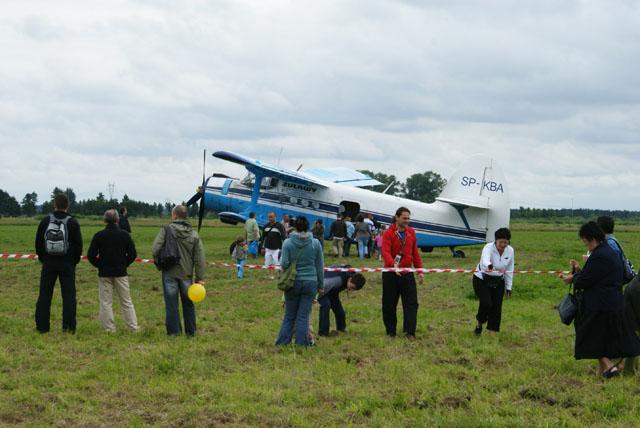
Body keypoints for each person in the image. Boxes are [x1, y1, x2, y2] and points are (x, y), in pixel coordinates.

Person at [560, 221, 640, 378]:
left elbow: (586, 280)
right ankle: (604, 370)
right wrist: (578, 272)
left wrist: (572, 278)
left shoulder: (599, 255)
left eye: (585, 241)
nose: (585, 245)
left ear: (592, 239)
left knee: (588, 334)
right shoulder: (608, 252)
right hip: (611, 302)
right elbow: (594, 276)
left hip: (600, 304)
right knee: (603, 337)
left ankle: (611, 367)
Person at [152, 205, 206, 337]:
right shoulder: (194, 234)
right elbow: (199, 258)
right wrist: (199, 278)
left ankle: (174, 333)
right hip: (186, 275)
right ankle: (191, 332)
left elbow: (155, 249)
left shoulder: (166, 230)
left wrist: (160, 261)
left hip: (169, 273)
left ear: (174, 215)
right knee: (188, 304)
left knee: (171, 305)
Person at [34, 193, 83, 334]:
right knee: (68, 296)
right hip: (67, 264)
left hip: (48, 263)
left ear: (54, 204)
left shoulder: (45, 221)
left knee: (44, 295)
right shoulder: (73, 222)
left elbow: (38, 243)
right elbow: (79, 245)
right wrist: (73, 262)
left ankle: (42, 327)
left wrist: (44, 259)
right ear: (67, 205)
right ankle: (68, 328)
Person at [87, 209, 139, 332]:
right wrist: (124, 264)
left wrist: (100, 265)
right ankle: (132, 327)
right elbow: (133, 254)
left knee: (106, 302)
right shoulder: (125, 235)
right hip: (121, 273)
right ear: (117, 219)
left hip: (104, 273)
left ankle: (109, 328)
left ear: (104, 220)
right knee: (126, 301)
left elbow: (90, 255)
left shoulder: (99, 235)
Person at [276, 216, 324, 347]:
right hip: (310, 282)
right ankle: (302, 344)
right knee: (304, 316)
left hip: (293, 282)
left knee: (289, 315)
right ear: (308, 227)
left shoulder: (287, 243)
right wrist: (321, 285)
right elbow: (320, 266)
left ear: (294, 227)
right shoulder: (315, 243)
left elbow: (284, 264)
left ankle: (282, 343)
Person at [381, 207, 424, 340]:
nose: (407, 221)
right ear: (397, 217)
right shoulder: (388, 233)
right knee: (389, 303)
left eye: (408, 218)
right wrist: (392, 265)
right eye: (404, 218)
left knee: (411, 303)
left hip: (407, 273)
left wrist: (419, 271)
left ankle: (410, 332)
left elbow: (415, 253)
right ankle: (391, 332)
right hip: (391, 273)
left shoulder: (411, 232)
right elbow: (385, 251)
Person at [472, 228, 515, 337]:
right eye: (501, 242)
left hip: (498, 280)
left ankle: (493, 334)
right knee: (486, 303)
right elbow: (485, 260)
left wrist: (509, 287)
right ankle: (479, 324)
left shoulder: (510, 251)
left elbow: (510, 269)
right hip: (481, 279)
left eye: (506, 242)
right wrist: (490, 266)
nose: (503, 244)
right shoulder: (488, 247)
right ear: (496, 240)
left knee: (496, 308)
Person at [317, 267, 366, 337]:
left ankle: (341, 330)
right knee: (326, 305)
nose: (350, 290)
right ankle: (323, 333)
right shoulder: (337, 280)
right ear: (350, 279)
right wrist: (314, 297)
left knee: (339, 311)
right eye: (351, 287)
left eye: (353, 289)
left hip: (332, 291)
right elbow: (323, 285)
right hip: (321, 287)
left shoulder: (351, 275)